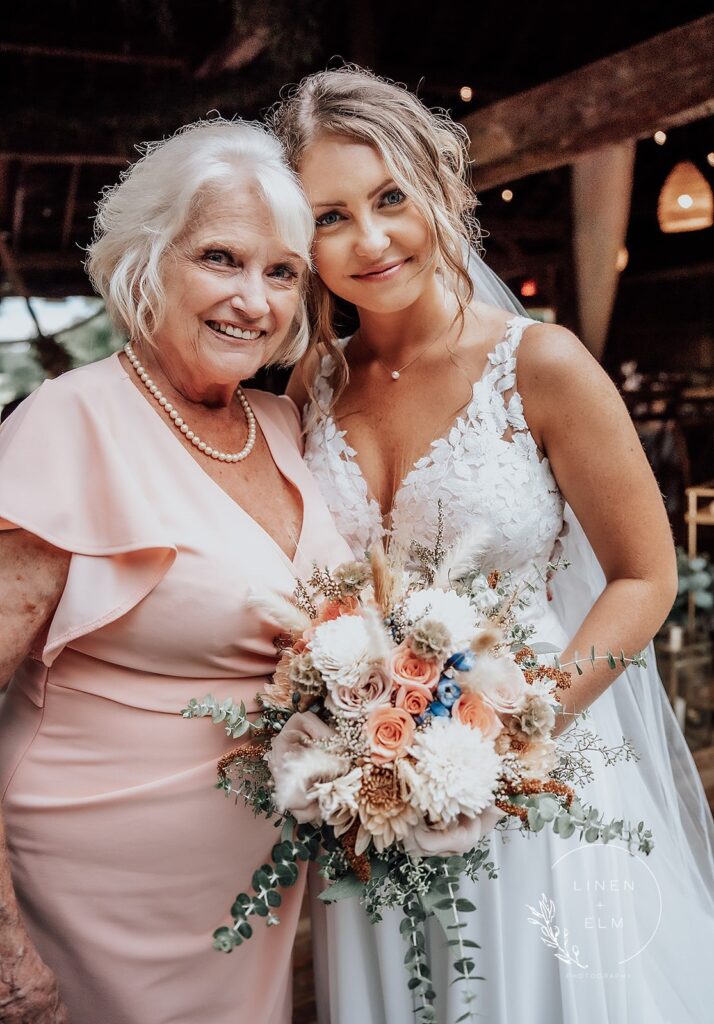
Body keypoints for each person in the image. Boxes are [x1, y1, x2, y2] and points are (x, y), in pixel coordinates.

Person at [272, 67, 714, 1023]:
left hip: (539, 780)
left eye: (390, 198)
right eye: (330, 216)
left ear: (437, 184)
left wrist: (513, 731)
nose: (372, 239)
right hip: (373, 799)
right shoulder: (307, 390)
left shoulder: (541, 364)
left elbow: (646, 574)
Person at [0, 119, 351, 1024]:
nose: (253, 299)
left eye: (281, 272)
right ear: (149, 263)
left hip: (249, 898)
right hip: (90, 896)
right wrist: (5, 952)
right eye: (221, 258)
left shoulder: (282, 427)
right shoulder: (65, 425)